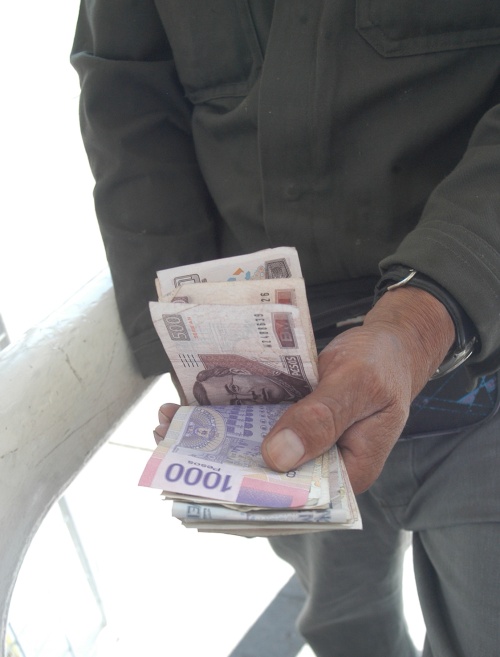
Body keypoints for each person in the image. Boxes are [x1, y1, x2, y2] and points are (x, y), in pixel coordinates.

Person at [71, 3, 500, 656]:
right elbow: (127, 91)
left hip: (484, 360)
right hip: (281, 386)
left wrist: (421, 321)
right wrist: (197, 341)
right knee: (342, 624)